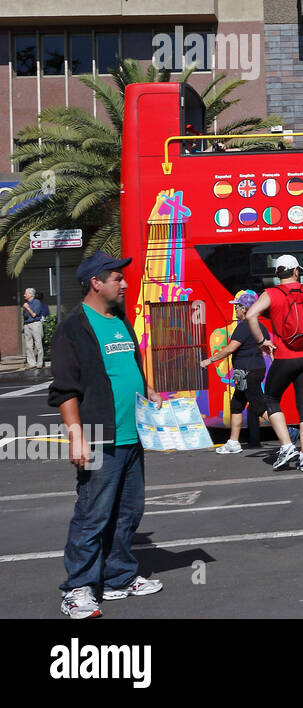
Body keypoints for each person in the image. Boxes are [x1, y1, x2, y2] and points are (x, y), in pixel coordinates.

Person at [49, 252, 163, 619]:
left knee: (129, 511)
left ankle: (118, 578)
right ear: (96, 282)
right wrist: (76, 436)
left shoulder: (119, 320)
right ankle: (77, 589)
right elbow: (65, 389)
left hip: (132, 436)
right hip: (99, 437)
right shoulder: (74, 327)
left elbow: (126, 366)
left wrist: (148, 392)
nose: (125, 283)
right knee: (92, 515)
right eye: (117, 278)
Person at [245, 255, 303, 472]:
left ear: (277, 274)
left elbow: (250, 315)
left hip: (285, 357)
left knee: (270, 398)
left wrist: (262, 342)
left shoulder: (272, 294)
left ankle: (286, 446)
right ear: (296, 272)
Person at [201, 290, 295, 456]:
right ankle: (233, 442)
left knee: (259, 407)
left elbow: (231, 349)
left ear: (244, 309)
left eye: (237, 307)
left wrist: (209, 361)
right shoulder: (260, 326)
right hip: (252, 371)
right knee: (236, 404)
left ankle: (288, 433)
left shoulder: (243, 326)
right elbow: (267, 348)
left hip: (247, 372)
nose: (235, 310)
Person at [22, 287, 50, 370]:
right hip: (27, 324)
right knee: (28, 345)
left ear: (30, 294)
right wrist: (25, 309)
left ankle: (39, 363)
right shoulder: (27, 303)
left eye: (25, 293)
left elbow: (34, 315)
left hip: (35, 324)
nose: (24, 295)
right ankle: (31, 363)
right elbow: (25, 316)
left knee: (38, 344)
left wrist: (27, 308)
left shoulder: (37, 302)